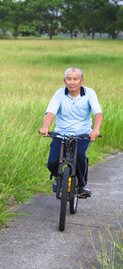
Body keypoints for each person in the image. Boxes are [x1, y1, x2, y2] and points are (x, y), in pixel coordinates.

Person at [39, 67, 103, 197]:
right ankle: (58, 177)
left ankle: (82, 185)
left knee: (80, 155)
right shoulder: (59, 93)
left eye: (75, 79)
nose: (72, 82)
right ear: (64, 80)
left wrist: (95, 130)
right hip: (61, 133)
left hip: (83, 134)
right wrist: (45, 126)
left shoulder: (90, 93)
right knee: (52, 162)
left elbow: (98, 113)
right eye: (69, 79)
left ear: (82, 81)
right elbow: (51, 112)